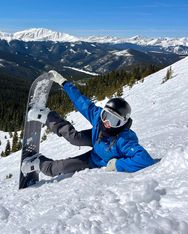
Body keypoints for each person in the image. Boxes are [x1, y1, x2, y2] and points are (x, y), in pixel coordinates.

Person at [21, 70, 155, 178]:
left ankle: (39, 163)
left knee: (60, 168)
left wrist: (117, 165)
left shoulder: (124, 139)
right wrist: (64, 82)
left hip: (94, 160)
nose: (107, 122)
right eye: (106, 116)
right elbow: (81, 102)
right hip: (97, 138)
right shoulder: (99, 119)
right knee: (74, 138)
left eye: (114, 121)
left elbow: (145, 159)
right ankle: (46, 116)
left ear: (123, 122)